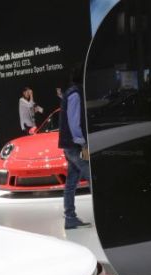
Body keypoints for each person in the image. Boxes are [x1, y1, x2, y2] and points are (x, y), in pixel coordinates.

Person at [58, 65, 92, 229]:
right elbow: (74, 123)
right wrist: (83, 143)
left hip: (70, 146)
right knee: (93, 178)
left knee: (71, 182)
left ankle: (70, 217)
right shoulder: (75, 94)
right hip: (75, 146)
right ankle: (104, 216)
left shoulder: (71, 92)